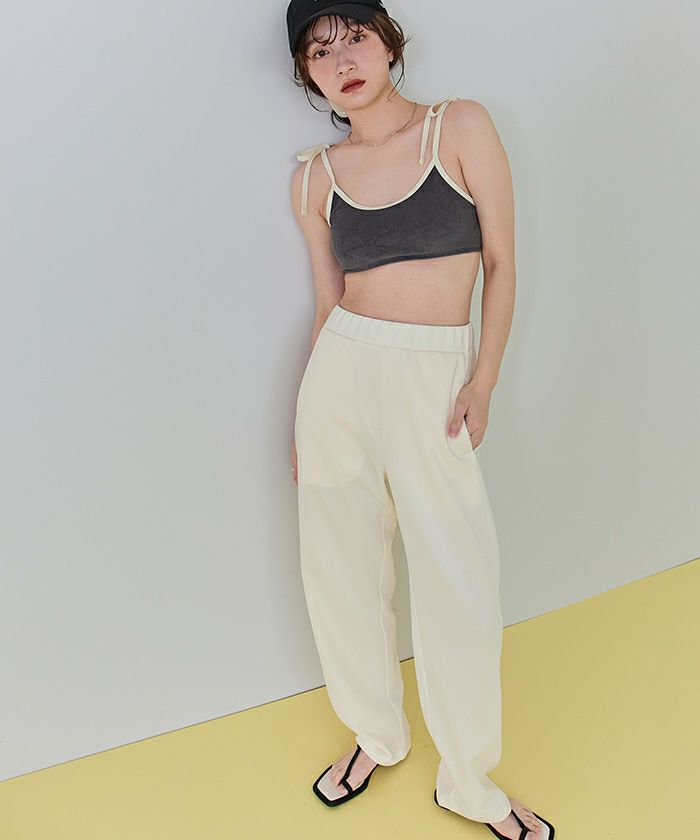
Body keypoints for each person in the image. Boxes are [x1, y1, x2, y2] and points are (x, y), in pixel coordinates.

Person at [285, 2, 555, 838]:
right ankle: (377, 733)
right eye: (319, 52)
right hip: (340, 378)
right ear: (307, 76)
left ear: (389, 40)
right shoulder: (314, 178)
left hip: (434, 374)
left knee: (458, 578)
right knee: (340, 570)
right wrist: (301, 420)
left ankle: (468, 781)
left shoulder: (459, 127)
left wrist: (484, 379)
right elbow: (328, 302)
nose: (343, 61)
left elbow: (502, 262)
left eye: (355, 38)